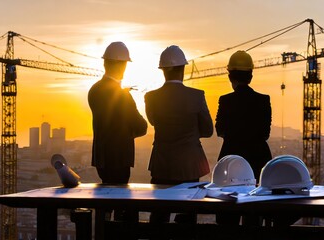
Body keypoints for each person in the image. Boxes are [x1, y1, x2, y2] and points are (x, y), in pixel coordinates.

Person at [144, 45, 213, 224]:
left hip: (162, 164)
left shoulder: (151, 97)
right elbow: (207, 130)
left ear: (163, 71)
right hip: (189, 165)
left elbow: (153, 122)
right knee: (187, 217)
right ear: (183, 69)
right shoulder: (196, 96)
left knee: (158, 217)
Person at [88, 41, 147, 221]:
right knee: (120, 209)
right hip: (119, 158)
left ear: (105, 63)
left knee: (106, 206)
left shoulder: (94, 90)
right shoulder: (122, 96)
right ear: (123, 66)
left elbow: (108, 119)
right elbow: (141, 127)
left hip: (101, 158)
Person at [215, 50, 272, 225]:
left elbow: (220, 130)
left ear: (230, 76)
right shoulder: (263, 100)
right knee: (254, 217)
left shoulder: (225, 100)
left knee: (227, 218)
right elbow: (265, 133)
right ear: (250, 75)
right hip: (258, 161)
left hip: (230, 162)